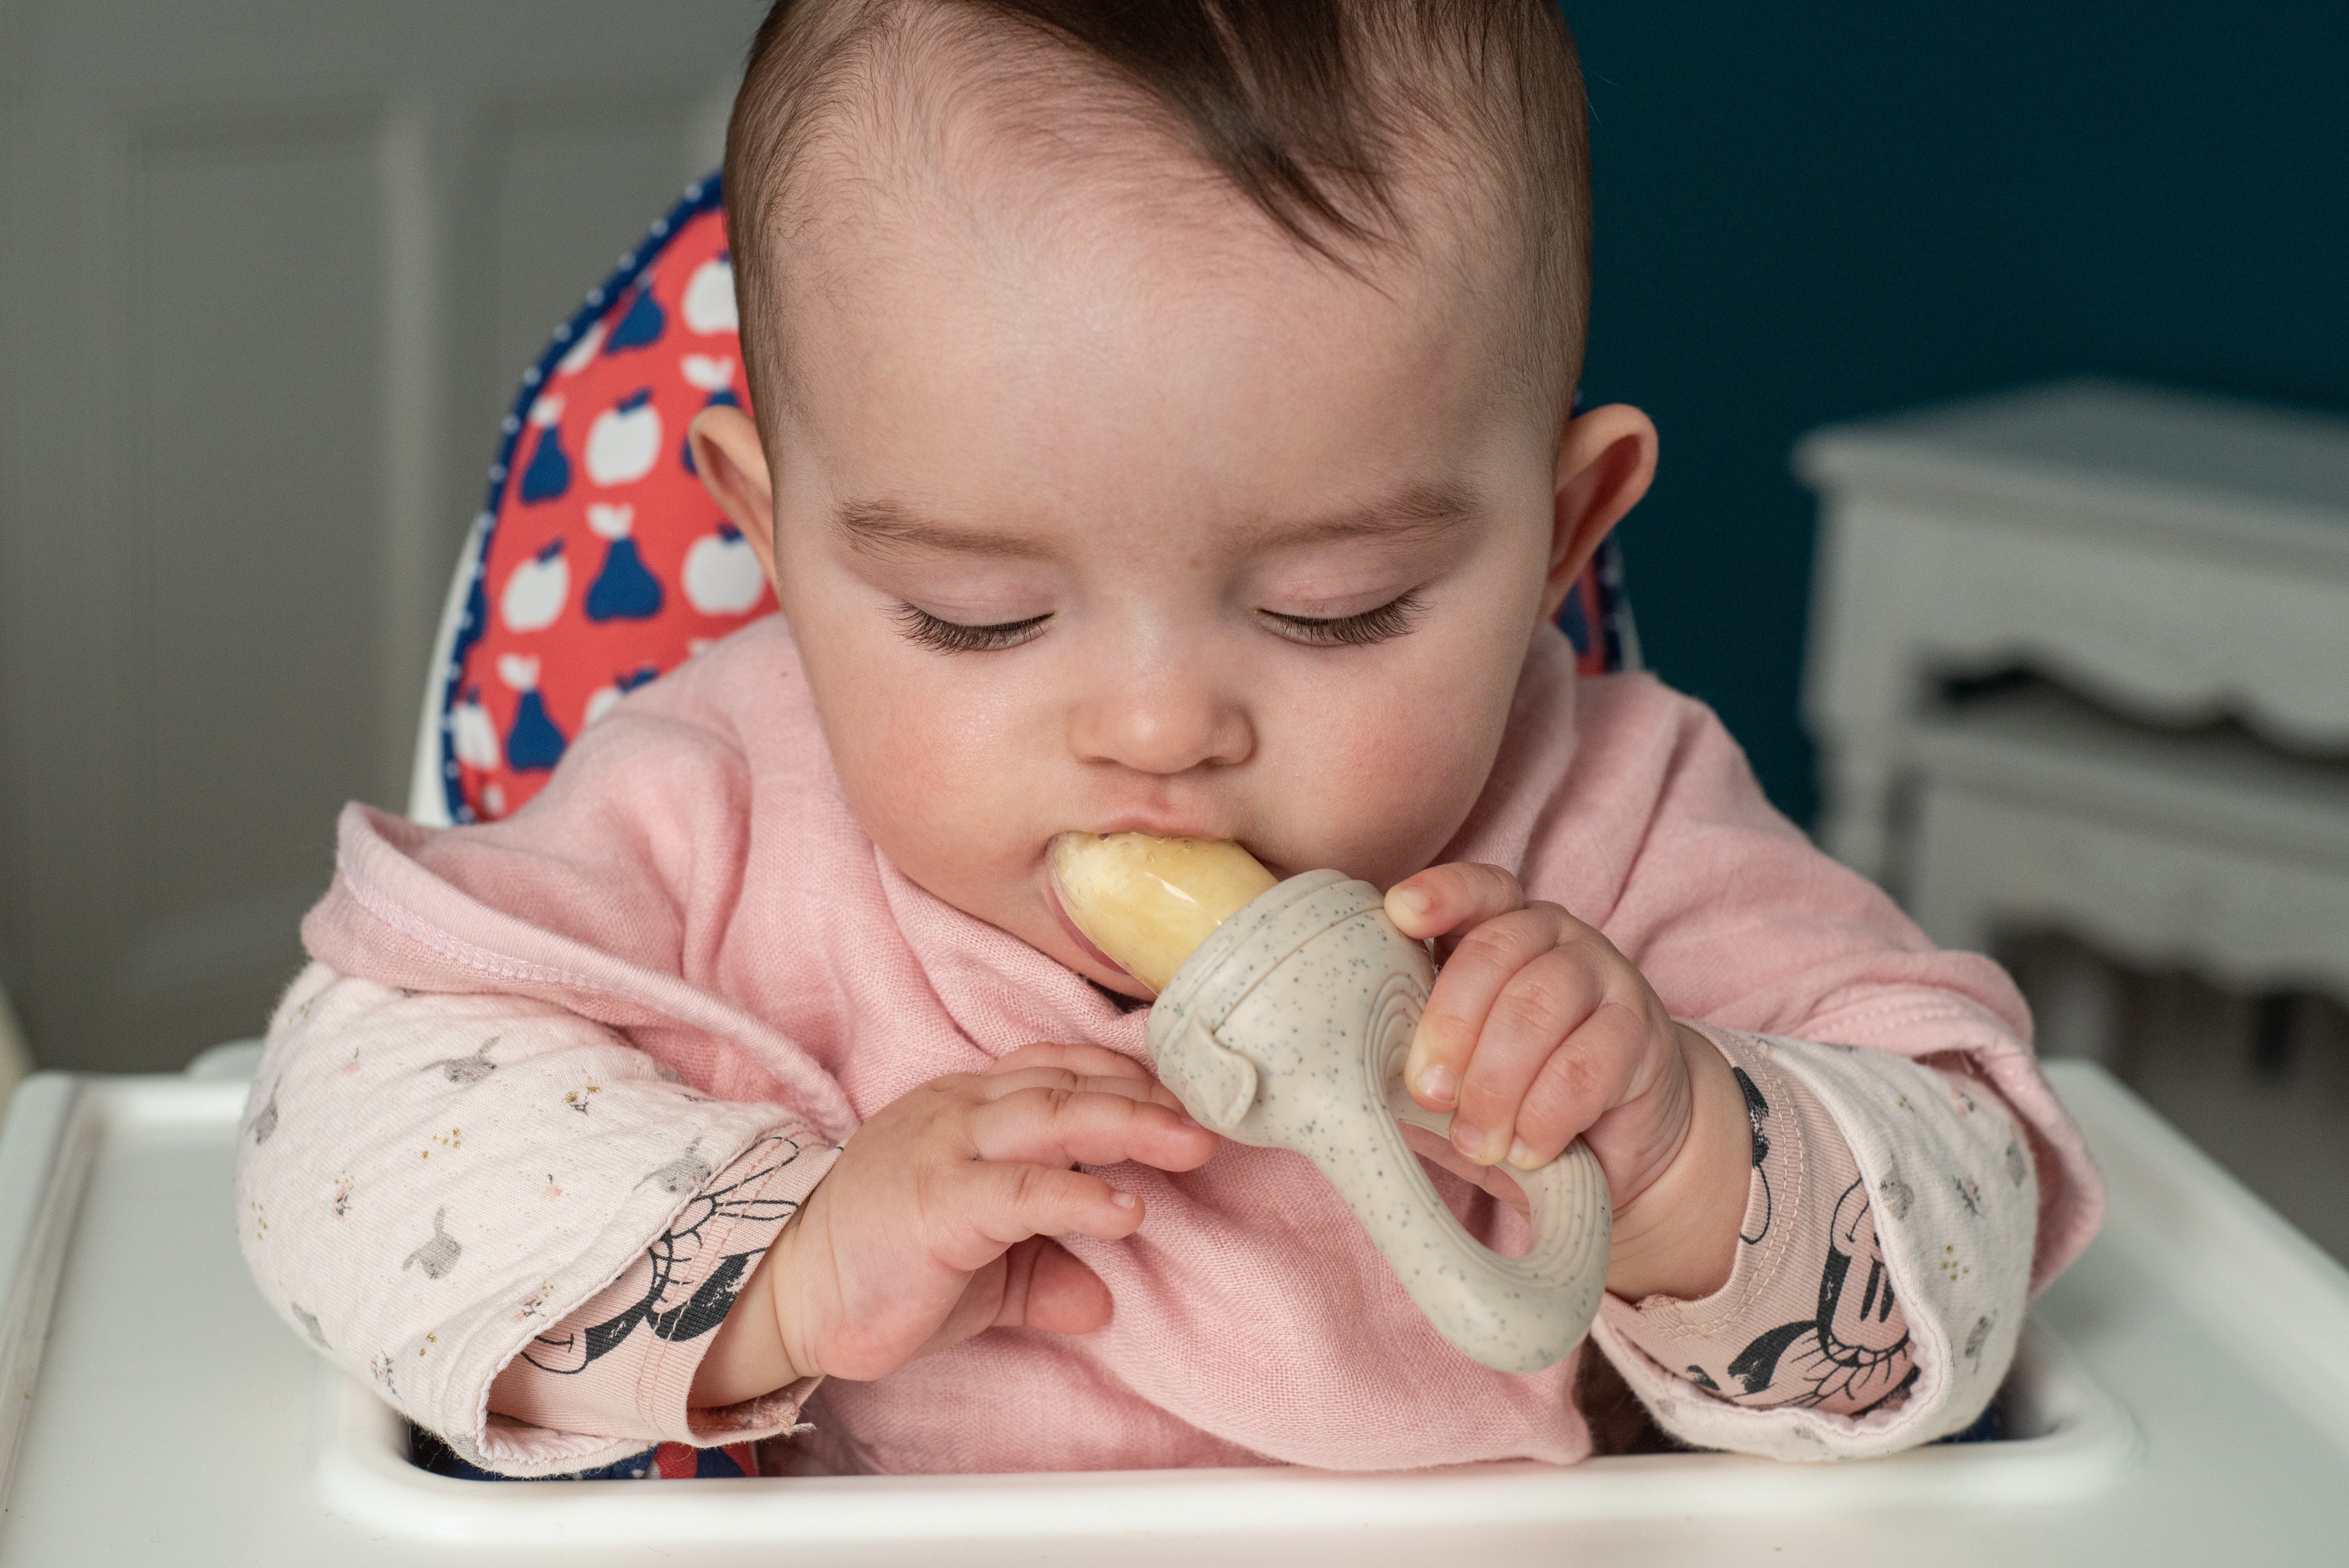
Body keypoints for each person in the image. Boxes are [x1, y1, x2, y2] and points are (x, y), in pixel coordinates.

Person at [237, 0, 2101, 1480]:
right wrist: (790, 1275)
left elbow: (1963, 1234)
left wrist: (1688, 1142)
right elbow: (343, 1119)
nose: (1153, 731)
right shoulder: (720, 799)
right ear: (779, 545)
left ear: (1561, 538)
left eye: (1333, 609)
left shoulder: (1610, 816)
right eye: (975, 618)